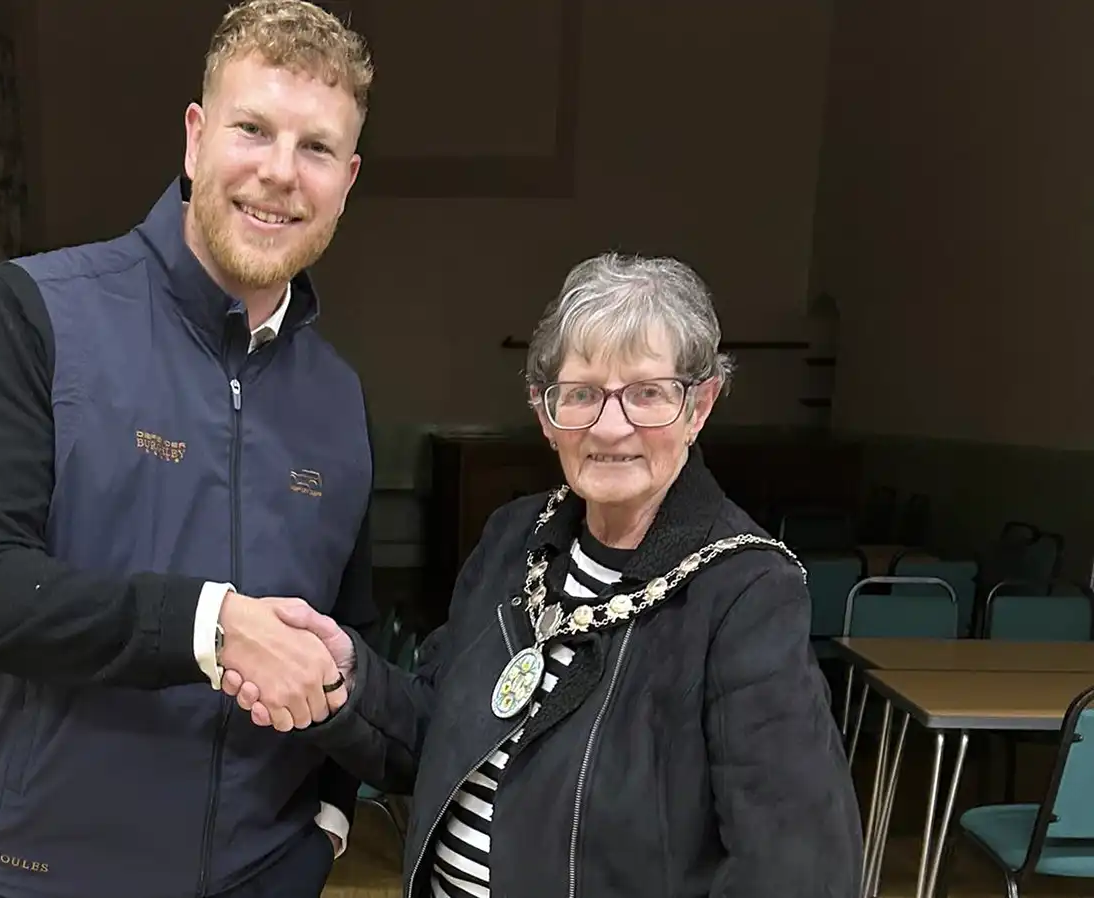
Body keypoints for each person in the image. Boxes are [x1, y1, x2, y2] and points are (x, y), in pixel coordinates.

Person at [0, 2, 378, 896]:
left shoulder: (339, 396)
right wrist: (210, 626)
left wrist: (330, 819)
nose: (280, 173)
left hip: (266, 872)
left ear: (347, 178)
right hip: (40, 878)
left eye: (316, 148)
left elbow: (343, 636)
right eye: (254, 129)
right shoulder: (32, 313)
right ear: (196, 138)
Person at [226, 253, 865, 896]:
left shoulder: (745, 593)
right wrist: (348, 677)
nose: (611, 427)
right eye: (582, 393)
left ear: (698, 407)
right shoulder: (515, 539)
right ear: (544, 411)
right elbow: (434, 729)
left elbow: (798, 867)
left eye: (647, 393)